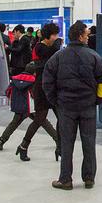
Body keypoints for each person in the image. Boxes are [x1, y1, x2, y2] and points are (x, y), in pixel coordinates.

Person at [44, 21, 102, 191]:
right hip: (88, 106)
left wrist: (55, 101)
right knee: (89, 142)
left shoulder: (58, 57)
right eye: (87, 34)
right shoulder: (94, 56)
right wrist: (98, 100)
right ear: (80, 36)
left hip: (66, 107)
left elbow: (47, 81)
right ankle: (89, 178)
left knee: (66, 143)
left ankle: (65, 180)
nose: (88, 37)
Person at [15, 22, 62, 161]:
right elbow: (53, 52)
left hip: (53, 87)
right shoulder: (40, 47)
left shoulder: (50, 47)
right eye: (54, 35)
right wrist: (57, 43)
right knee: (39, 119)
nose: (56, 37)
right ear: (48, 36)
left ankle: (60, 147)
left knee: (62, 118)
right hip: (41, 88)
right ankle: (23, 146)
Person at [0, 62, 58, 159]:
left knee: (13, 124)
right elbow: (35, 95)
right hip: (31, 107)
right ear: (34, 72)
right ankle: (58, 140)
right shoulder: (34, 81)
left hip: (19, 107)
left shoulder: (15, 79)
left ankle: (1, 141)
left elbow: (8, 92)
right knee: (44, 122)